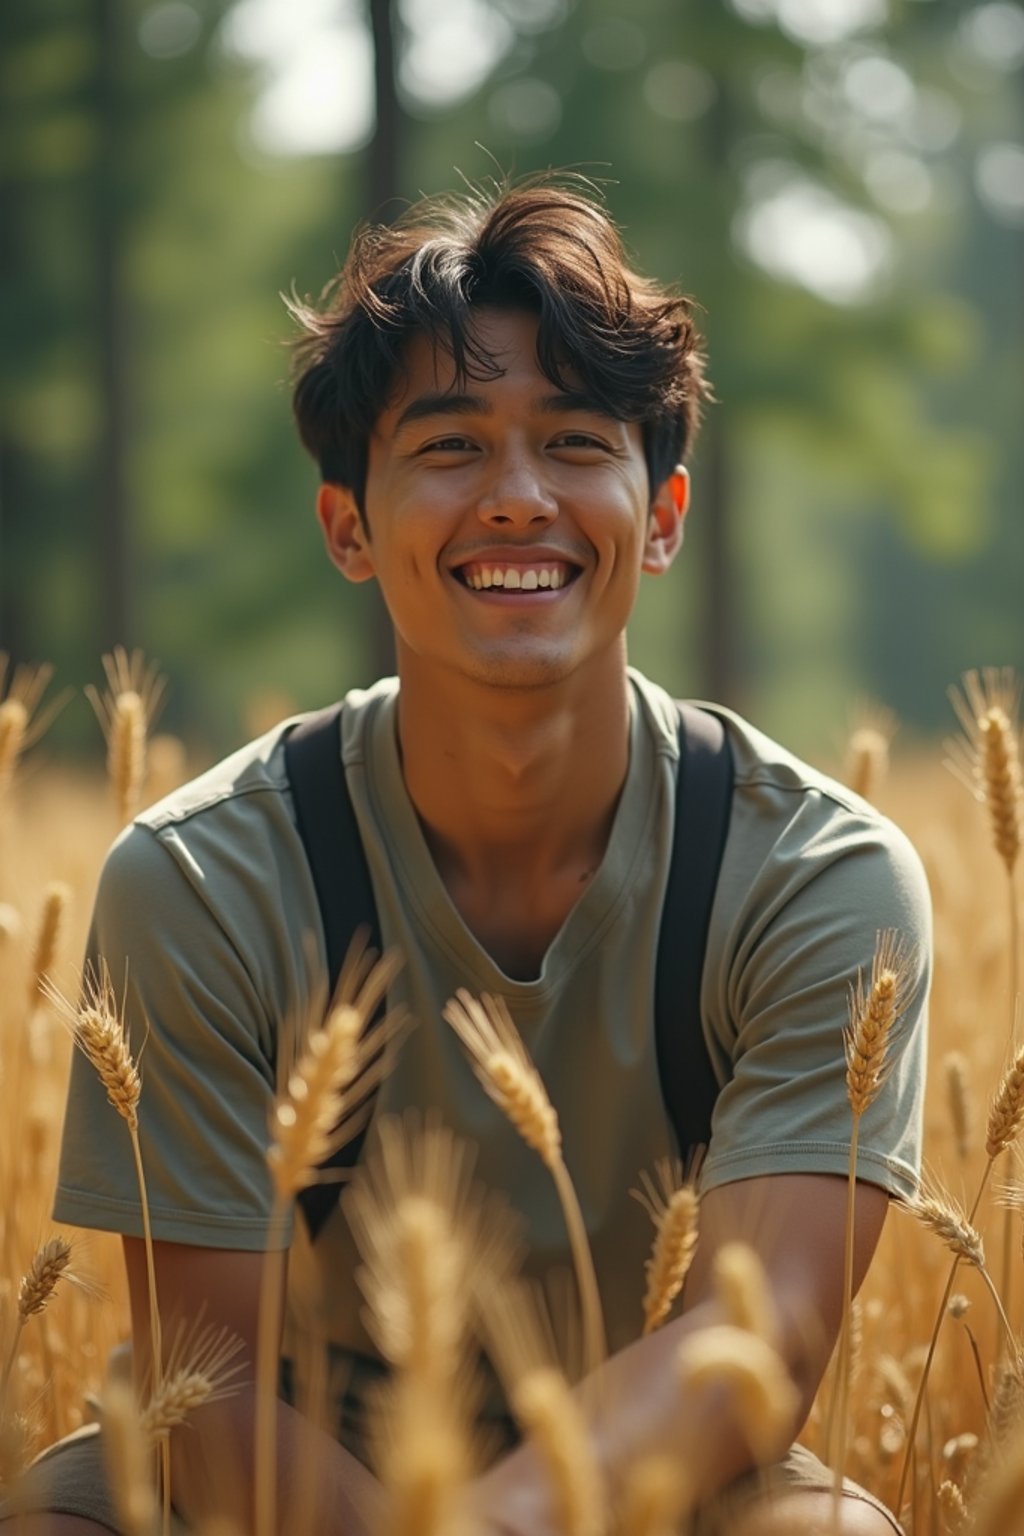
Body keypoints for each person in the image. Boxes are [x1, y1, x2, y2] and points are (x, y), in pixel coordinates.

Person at [3, 176, 930, 1535]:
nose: (515, 498)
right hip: (259, 1485)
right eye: (448, 448)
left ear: (661, 516)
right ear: (349, 530)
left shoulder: (815, 880)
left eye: (572, 442)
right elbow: (217, 1388)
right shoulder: (197, 885)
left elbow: (763, 1345)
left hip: (671, 1483)